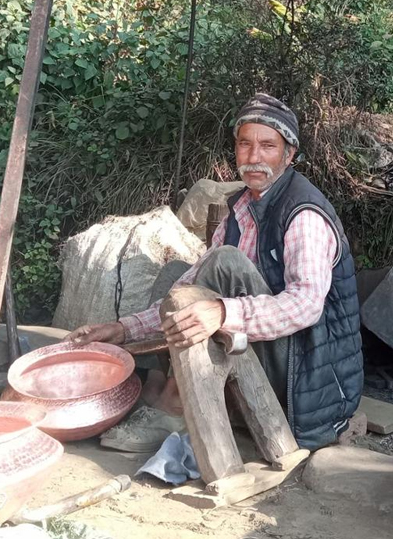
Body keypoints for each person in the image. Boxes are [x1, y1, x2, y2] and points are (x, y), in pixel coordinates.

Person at [66, 93, 363, 453]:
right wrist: (124, 327)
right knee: (175, 274)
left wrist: (223, 312)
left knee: (224, 262)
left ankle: (175, 406)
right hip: (265, 352)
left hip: (307, 378)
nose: (254, 157)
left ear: (289, 154)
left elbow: (305, 305)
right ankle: (162, 388)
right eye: (245, 144)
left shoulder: (303, 214)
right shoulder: (239, 207)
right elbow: (188, 286)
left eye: (268, 146)